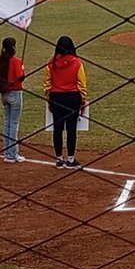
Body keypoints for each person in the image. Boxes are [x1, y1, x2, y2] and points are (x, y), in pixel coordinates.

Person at [44, 36, 87, 169]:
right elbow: (82, 83)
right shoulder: (77, 63)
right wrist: (83, 100)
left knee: (57, 128)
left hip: (56, 97)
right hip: (73, 97)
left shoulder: (51, 63)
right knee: (71, 129)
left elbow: (47, 84)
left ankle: (58, 159)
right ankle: (70, 159)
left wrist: (49, 98)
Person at [0, 37, 26, 163]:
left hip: (4, 94)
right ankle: (13, 154)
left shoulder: (2, 60)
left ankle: (7, 152)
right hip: (15, 93)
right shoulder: (16, 61)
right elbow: (20, 77)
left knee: (7, 123)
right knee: (13, 124)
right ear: (13, 47)